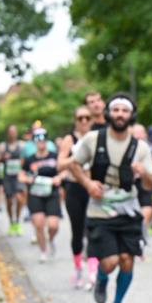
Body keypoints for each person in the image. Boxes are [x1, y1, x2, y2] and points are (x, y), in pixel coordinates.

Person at [69, 93, 152, 303]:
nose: (120, 114)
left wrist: (144, 173)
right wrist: (88, 183)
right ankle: (102, 278)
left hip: (129, 209)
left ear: (131, 115)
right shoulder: (93, 139)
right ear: (108, 113)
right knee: (110, 261)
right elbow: (74, 164)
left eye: (125, 111)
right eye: (116, 110)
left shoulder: (141, 148)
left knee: (127, 259)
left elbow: (150, 184)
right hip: (100, 210)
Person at [58, 105, 96, 288]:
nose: (84, 121)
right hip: (74, 188)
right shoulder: (69, 139)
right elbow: (60, 164)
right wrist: (77, 158)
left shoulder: (96, 137)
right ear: (75, 120)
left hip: (93, 188)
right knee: (78, 231)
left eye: (87, 117)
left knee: (93, 230)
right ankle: (78, 268)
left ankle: (93, 271)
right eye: (80, 118)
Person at [19, 129, 63, 262]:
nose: (41, 143)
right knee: (38, 224)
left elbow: (64, 171)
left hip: (51, 193)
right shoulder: (30, 159)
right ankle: (43, 251)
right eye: (38, 141)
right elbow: (20, 175)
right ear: (34, 142)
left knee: (53, 225)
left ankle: (51, 239)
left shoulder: (54, 156)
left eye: (43, 140)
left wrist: (59, 178)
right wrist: (28, 179)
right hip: (35, 194)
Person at [0, 125, 26, 235]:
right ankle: (11, 223)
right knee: (9, 201)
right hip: (7, 177)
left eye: (14, 131)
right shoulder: (2, 146)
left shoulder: (22, 145)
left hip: (18, 176)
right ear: (7, 133)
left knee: (19, 199)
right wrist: (2, 158)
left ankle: (17, 221)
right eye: (10, 132)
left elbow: (27, 159)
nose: (12, 134)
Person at [132, 123, 152, 239]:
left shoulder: (149, 150)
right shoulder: (125, 148)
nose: (138, 136)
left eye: (140, 133)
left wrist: (145, 172)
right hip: (128, 184)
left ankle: (141, 229)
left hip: (144, 182)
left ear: (145, 135)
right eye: (135, 133)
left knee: (148, 205)